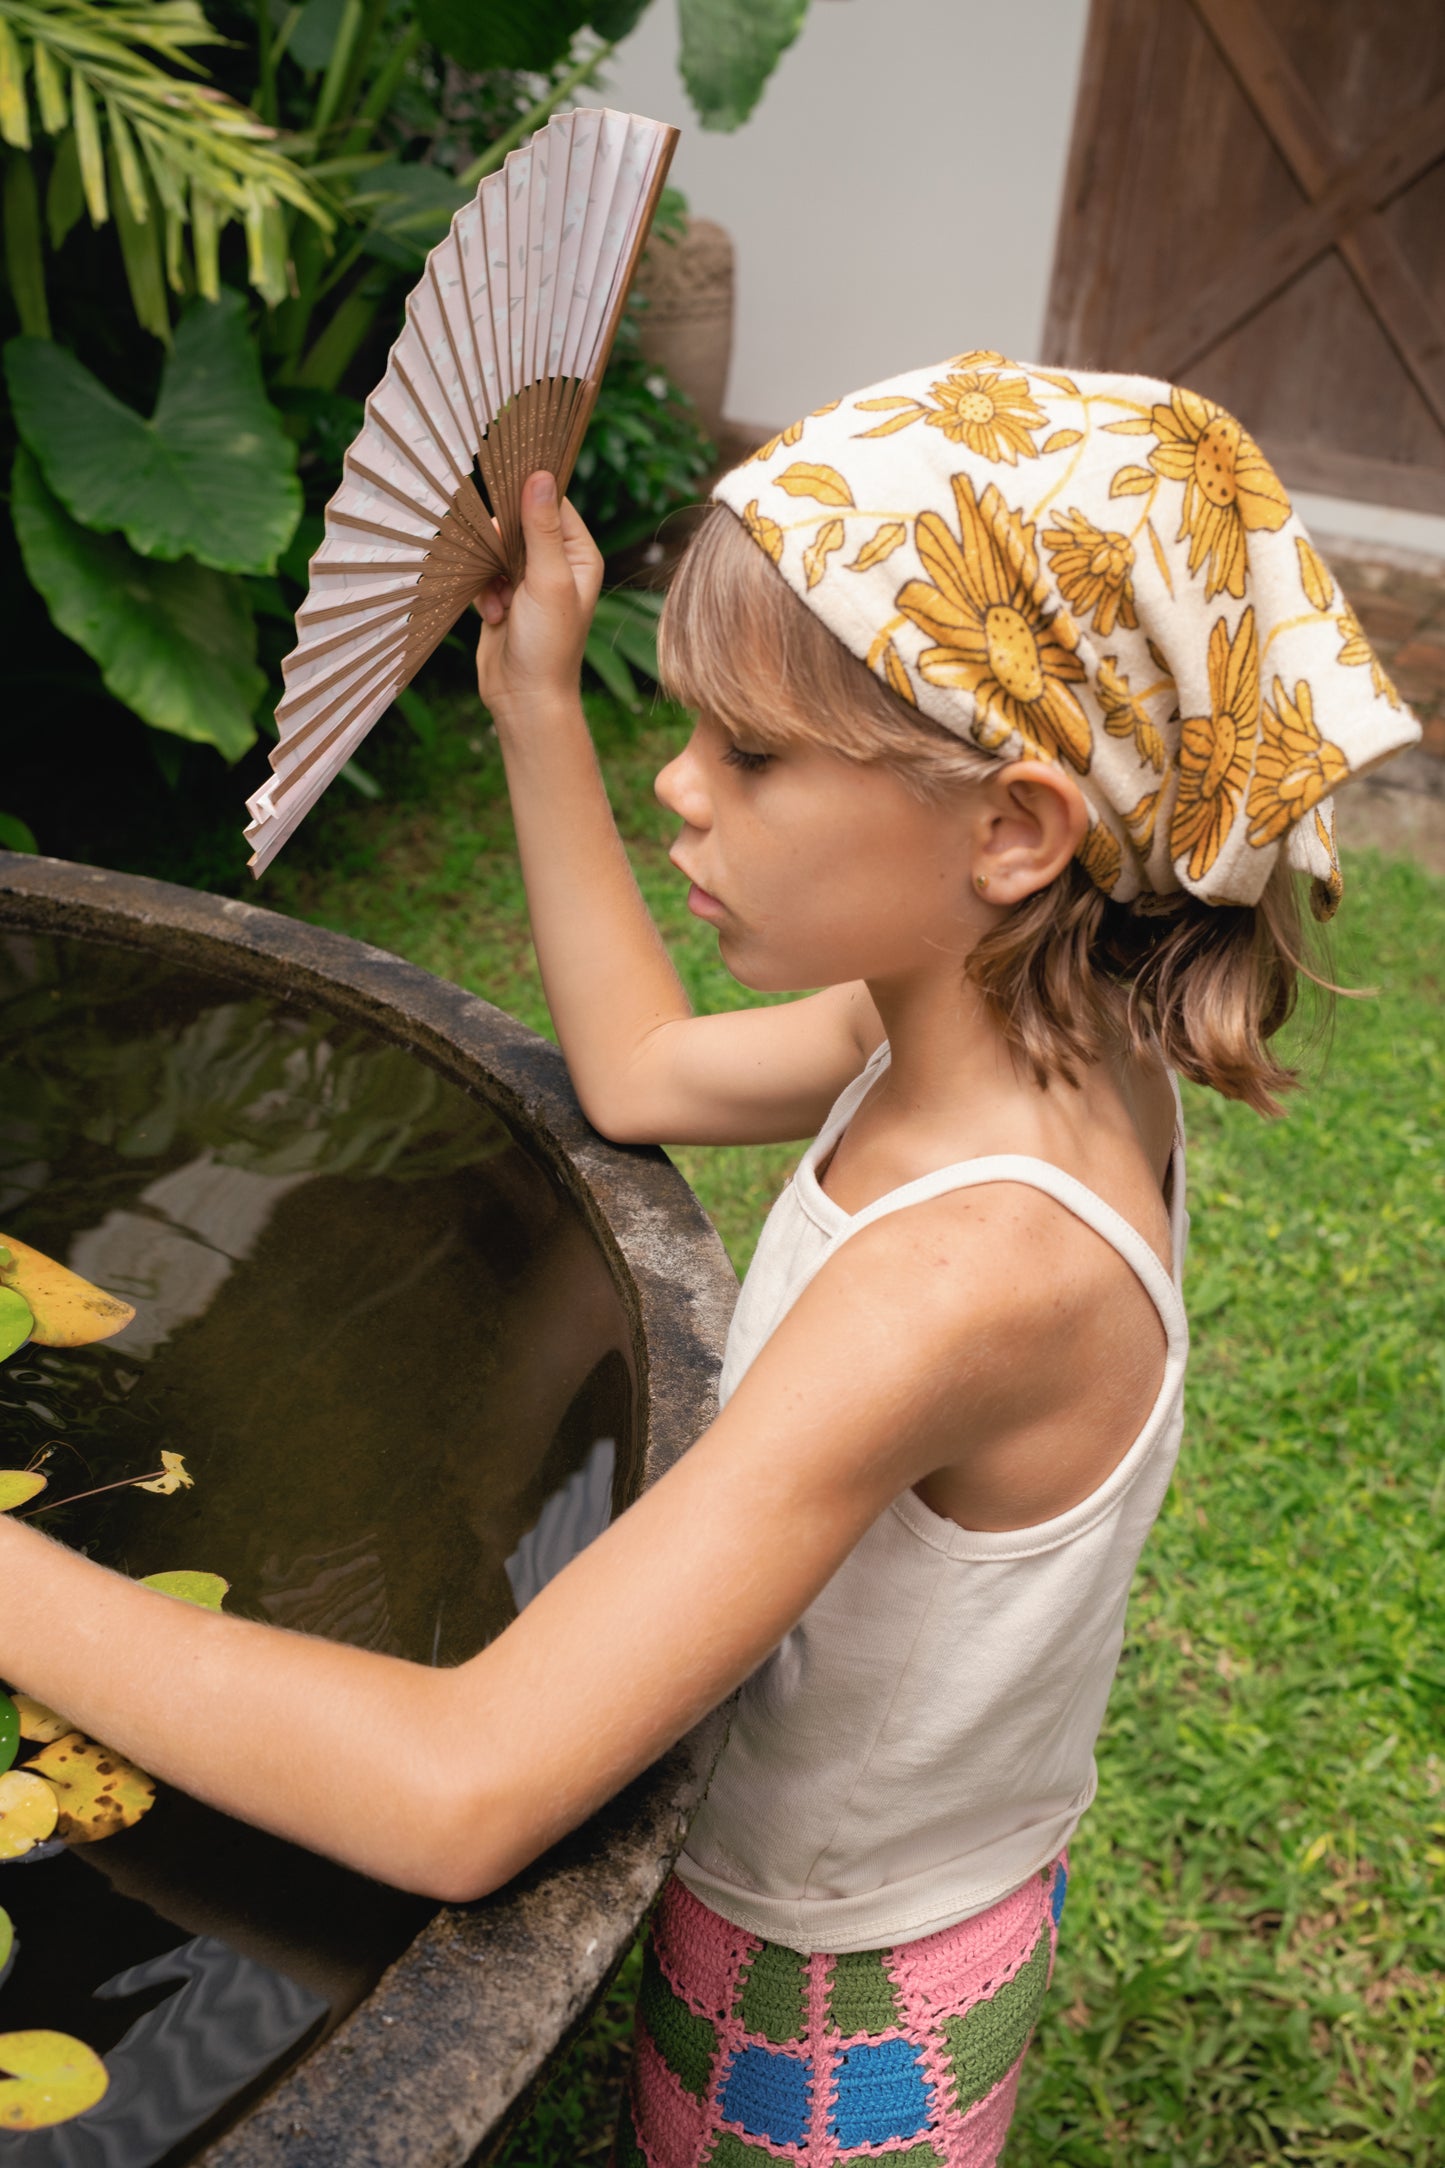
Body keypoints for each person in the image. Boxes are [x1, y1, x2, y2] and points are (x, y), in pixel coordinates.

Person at [0, 354, 1418, 2166]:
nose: (678, 788)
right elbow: (641, 1072)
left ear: (1011, 826)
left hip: (827, 1983)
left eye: (746, 754)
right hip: (882, 1875)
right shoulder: (993, 1021)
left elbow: (462, 1790)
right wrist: (530, 706)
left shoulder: (968, 1274)